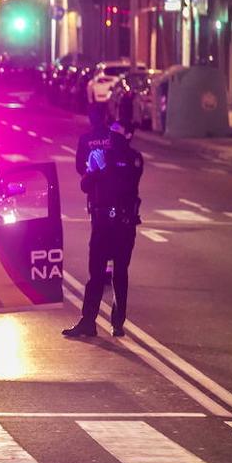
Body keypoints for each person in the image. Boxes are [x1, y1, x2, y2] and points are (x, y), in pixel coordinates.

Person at [64, 120, 144, 339]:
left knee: (116, 274)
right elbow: (85, 185)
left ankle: (116, 322)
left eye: (115, 134)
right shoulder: (113, 157)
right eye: (111, 134)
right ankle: (89, 321)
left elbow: (123, 185)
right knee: (99, 274)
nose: (111, 139)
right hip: (106, 224)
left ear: (126, 135)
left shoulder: (131, 159)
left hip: (120, 224)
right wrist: (96, 169)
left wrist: (101, 169)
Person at [75, 103, 113, 177]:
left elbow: (79, 166)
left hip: (92, 182)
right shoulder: (114, 136)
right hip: (110, 182)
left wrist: (89, 173)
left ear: (90, 118)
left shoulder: (84, 138)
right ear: (105, 117)